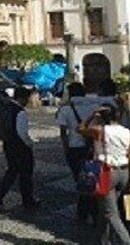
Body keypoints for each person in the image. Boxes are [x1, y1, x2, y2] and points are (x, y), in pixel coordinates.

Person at [78, 103, 130, 245]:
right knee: (105, 210)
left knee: (110, 213)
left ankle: (128, 242)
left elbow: (80, 129)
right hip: (124, 172)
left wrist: (92, 115)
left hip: (106, 172)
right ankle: (100, 240)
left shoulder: (99, 130)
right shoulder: (128, 133)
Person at [55, 82, 95, 223]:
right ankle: (91, 209)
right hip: (91, 146)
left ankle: (84, 211)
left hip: (74, 146)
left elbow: (63, 131)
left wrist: (65, 147)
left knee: (80, 179)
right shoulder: (91, 106)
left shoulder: (66, 109)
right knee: (91, 177)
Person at [0, 87, 38, 210]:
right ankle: (28, 200)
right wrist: (30, 144)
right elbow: (22, 133)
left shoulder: (6, 107)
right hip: (20, 147)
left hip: (8, 143)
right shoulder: (19, 111)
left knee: (12, 170)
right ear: (22, 98)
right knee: (26, 174)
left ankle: (0, 192)